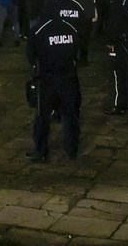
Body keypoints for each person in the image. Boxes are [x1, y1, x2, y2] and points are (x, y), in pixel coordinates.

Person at [25, 16, 81, 162]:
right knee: (69, 115)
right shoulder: (71, 28)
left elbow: (31, 54)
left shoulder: (39, 30)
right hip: (68, 77)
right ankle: (72, 149)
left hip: (47, 79)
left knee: (42, 115)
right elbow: (78, 48)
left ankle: (40, 151)